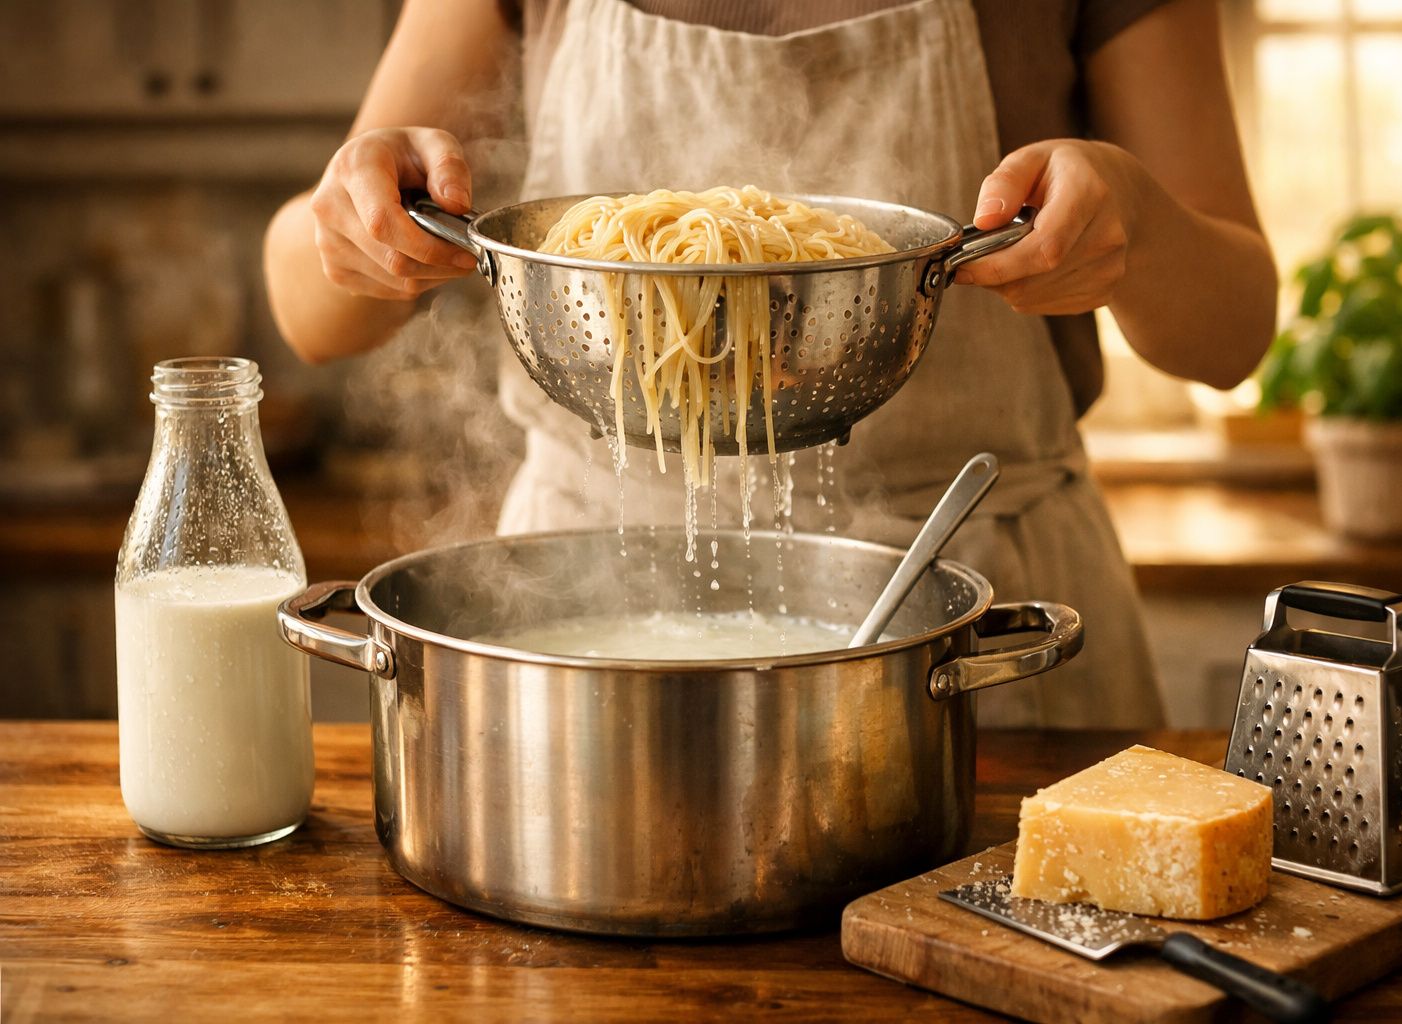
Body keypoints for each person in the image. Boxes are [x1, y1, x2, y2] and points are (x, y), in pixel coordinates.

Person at [264, 0, 1277, 727]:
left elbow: (1233, 334)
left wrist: (1137, 223)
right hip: (584, 613)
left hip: (974, 610)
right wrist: (355, 224)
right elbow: (310, 314)